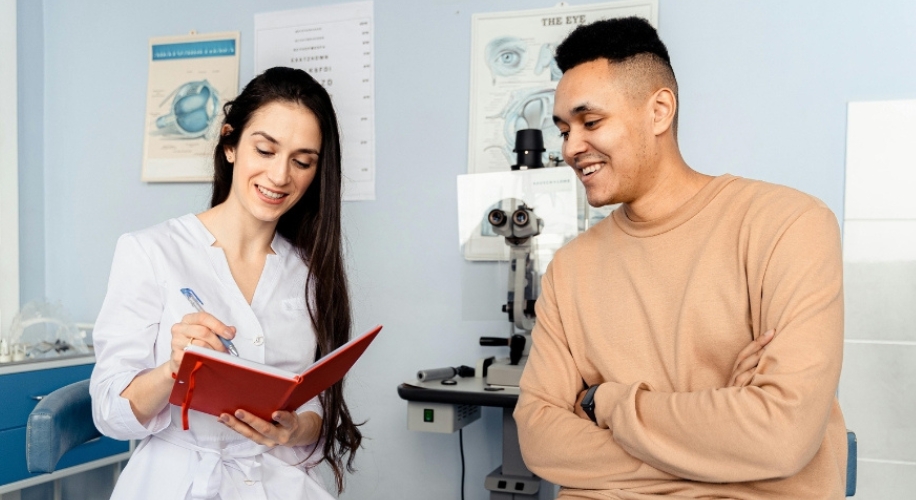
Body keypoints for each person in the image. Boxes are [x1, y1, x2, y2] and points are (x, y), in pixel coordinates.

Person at [513, 17, 847, 499]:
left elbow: (781, 436)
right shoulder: (569, 268)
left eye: (591, 122)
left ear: (659, 111)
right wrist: (720, 446)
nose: (570, 147)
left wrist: (604, 403)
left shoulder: (789, 225)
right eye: (564, 130)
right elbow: (540, 439)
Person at [90, 67, 362, 499]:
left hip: (278, 482)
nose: (279, 176)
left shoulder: (309, 272)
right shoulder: (150, 251)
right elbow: (108, 413)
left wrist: (291, 431)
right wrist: (172, 371)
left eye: (302, 161)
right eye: (265, 150)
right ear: (230, 143)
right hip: (176, 483)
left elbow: (318, 408)